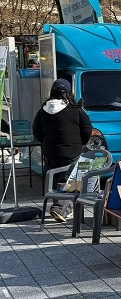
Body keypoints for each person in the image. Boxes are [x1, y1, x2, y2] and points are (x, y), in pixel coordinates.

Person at [32, 79, 93, 223]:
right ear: (68, 92)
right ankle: (58, 208)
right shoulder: (75, 110)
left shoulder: (43, 110)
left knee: (54, 179)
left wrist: (47, 143)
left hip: (50, 151)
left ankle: (67, 210)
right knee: (69, 180)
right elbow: (87, 129)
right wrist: (80, 143)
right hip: (71, 150)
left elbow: (36, 131)